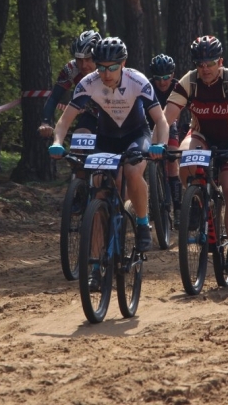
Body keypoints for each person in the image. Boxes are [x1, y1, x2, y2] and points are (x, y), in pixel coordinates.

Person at [48, 37, 168, 289]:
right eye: (100, 67)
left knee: (134, 172)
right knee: (99, 192)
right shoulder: (88, 82)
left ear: (123, 64)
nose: (105, 73)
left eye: (112, 67)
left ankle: (144, 224)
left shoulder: (137, 80)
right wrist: (58, 142)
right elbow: (64, 120)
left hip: (136, 135)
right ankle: (93, 267)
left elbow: (161, 120)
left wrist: (160, 145)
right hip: (106, 138)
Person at [163, 36, 228, 274]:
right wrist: (159, 145)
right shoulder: (190, 81)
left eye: (210, 63)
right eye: (200, 63)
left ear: (220, 62)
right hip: (202, 134)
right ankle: (195, 200)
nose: (205, 68)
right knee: (185, 157)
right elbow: (166, 117)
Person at [38, 30, 102, 138]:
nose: (83, 65)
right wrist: (45, 122)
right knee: (79, 139)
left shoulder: (108, 69)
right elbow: (54, 98)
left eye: (88, 59)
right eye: (79, 60)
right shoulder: (72, 69)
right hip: (92, 114)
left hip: (116, 113)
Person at [148, 54, 182, 226]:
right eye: (158, 78)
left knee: (173, 162)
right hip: (149, 125)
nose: (162, 82)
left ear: (173, 74)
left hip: (172, 125)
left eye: (166, 77)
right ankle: (152, 199)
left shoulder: (178, 86)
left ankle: (177, 208)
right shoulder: (147, 86)